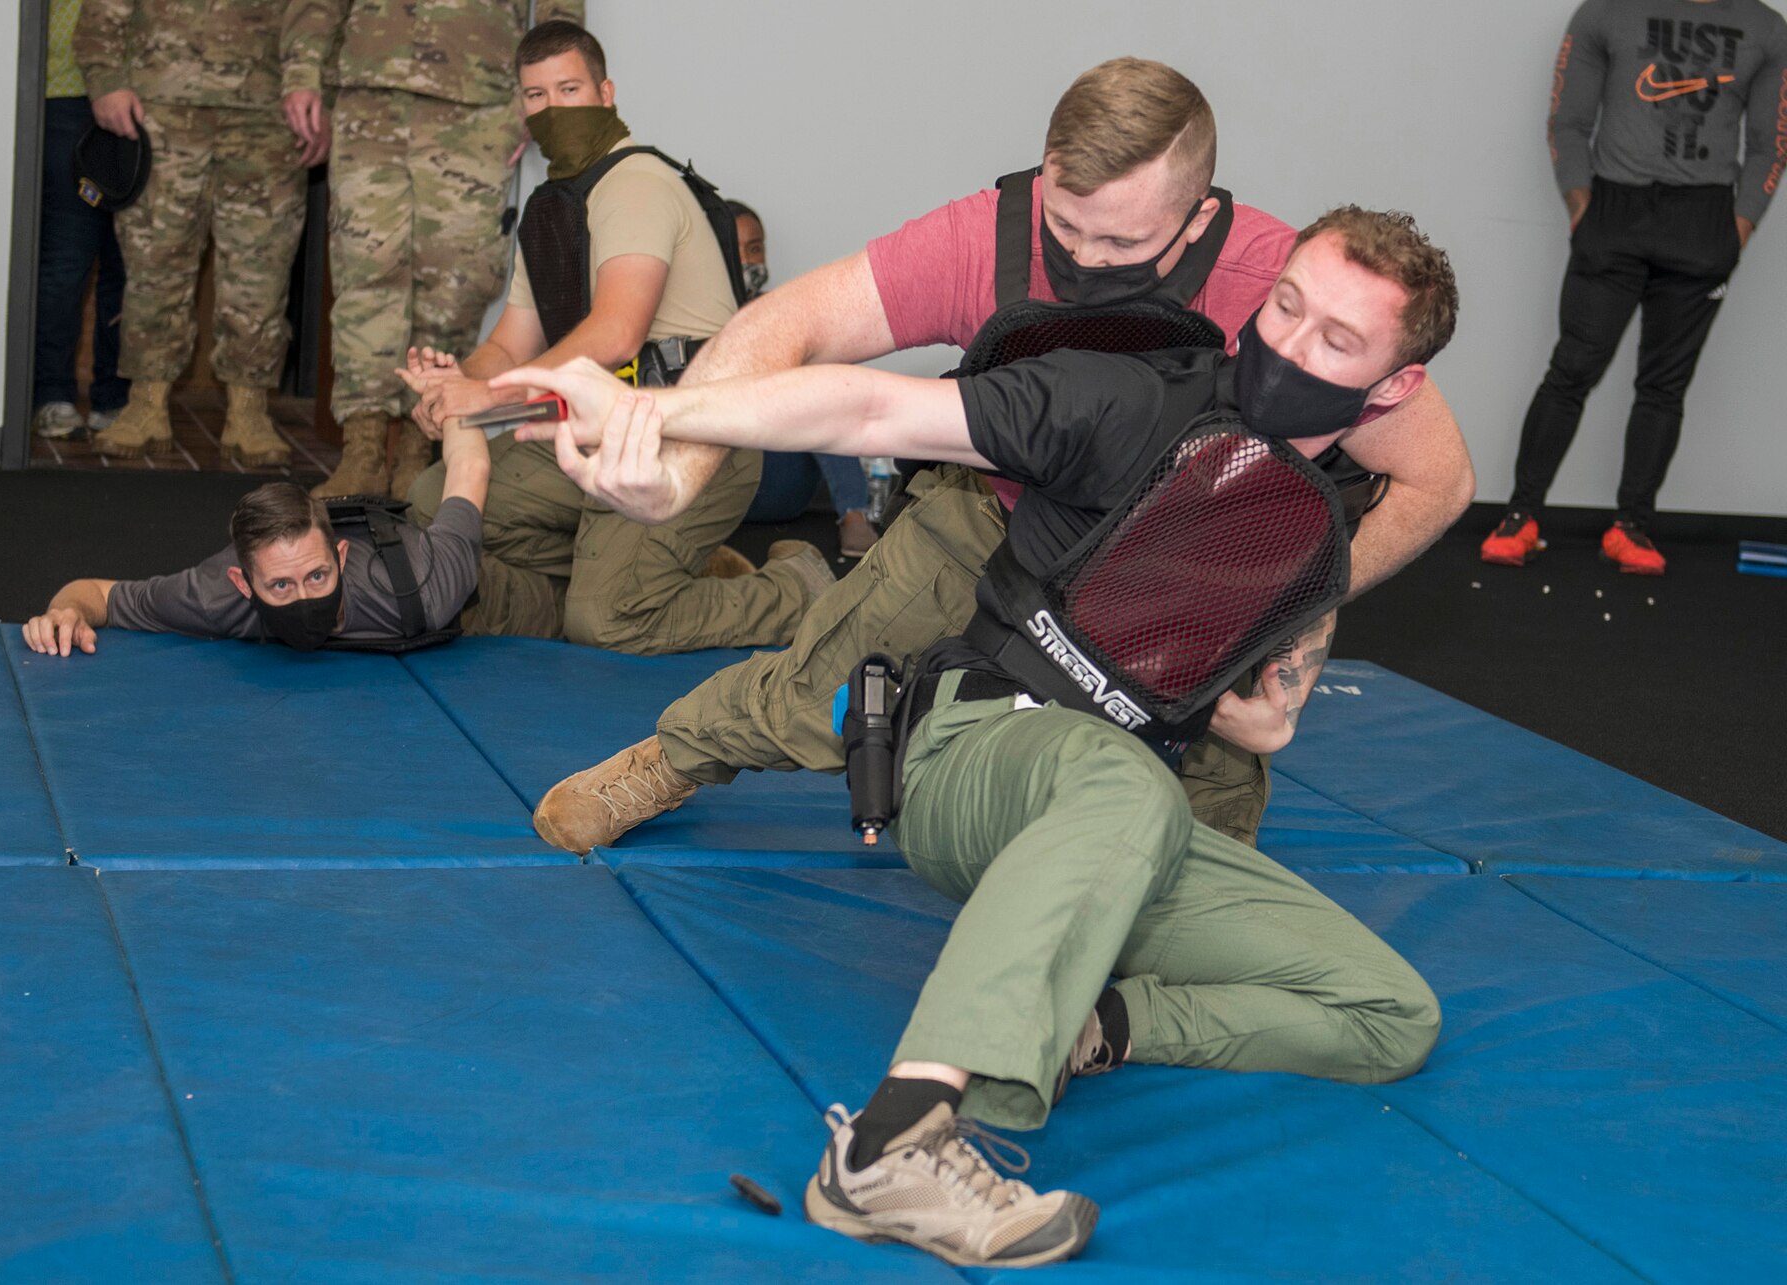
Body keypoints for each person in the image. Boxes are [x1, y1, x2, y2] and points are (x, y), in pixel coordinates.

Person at [506, 205, 1457, 1269]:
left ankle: (1093, 1023)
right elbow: (870, 406)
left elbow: (1260, 677)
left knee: (1388, 1012)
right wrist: (665, 415)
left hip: (1107, 813)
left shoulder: (1312, 522)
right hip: (974, 749)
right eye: (1284, 306)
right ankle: (888, 1146)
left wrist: (1268, 692)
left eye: (1335, 340)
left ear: (1391, 389)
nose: (1288, 346)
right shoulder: (1126, 400)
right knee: (1125, 786)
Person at [524, 58, 1476, 856]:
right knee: (823, 685)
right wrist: (674, 462)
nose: (1088, 259)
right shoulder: (987, 236)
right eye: (1068, 224)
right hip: (995, 513)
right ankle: (676, 754)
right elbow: (808, 341)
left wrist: (1277, 626)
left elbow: (1436, 479)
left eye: (1123, 240)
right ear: (1044, 174)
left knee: (1200, 833)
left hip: (1183, 573)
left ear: (1194, 220)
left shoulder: (1291, 297)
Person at [397, 21, 834, 654]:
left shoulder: (636, 183)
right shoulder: (550, 209)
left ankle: (797, 589)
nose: (553, 109)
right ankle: (601, 584)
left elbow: (616, 333)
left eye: (568, 89)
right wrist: (453, 386)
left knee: (608, 622)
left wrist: (485, 398)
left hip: (691, 435)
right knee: (435, 499)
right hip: (595, 431)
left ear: (606, 92)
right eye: (536, 96)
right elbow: (508, 346)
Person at [1481, 0, 1787, 575]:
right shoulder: (1607, 11)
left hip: (1703, 222)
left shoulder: (1766, 27)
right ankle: (1519, 518)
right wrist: (1582, 210)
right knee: (1572, 369)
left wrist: (1736, 230)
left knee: (1664, 386)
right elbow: (1568, 122)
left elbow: (1771, 145)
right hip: (1614, 212)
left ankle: (1632, 528)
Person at [280, 0, 584, 502]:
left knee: (455, 284)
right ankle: (362, 450)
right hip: (368, 93)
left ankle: (422, 451)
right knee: (366, 271)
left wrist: (539, 98)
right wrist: (301, 73)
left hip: (478, 104)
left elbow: (560, 9)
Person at [76, 0, 331, 464]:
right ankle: (146, 405)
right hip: (159, 109)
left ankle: (249, 411)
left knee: (262, 271)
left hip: (270, 114)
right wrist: (106, 81)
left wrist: (320, 97)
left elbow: (318, 12)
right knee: (155, 264)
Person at [21, 414, 487, 655]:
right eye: (281, 586)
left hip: (485, 600)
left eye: (318, 577)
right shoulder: (216, 596)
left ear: (341, 557)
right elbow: (97, 593)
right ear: (244, 584)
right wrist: (64, 613)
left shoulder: (421, 586)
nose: (305, 597)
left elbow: (469, 468)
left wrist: (450, 400)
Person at [724, 200, 881, 558]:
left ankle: (854, 514)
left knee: (820, 374)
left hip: (778, 484)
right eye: (735, 250)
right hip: (713, 488)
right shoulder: (688, 320)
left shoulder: (787, 314)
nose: (748, 261)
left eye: (755, 248)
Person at [33, 0, 130, 442]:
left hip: (149, 104)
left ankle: (115, 398)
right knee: (66, 259)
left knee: (129, 265)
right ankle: (50, 395)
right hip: (66, 97)